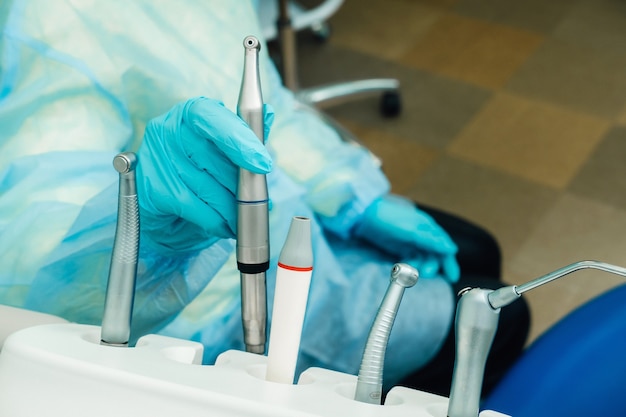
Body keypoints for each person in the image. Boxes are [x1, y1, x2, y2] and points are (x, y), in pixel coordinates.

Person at [0, 0, 528, 397]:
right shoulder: (53, 21)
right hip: (205, 306)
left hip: (281, 216)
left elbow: (266, 102)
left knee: (474, 248)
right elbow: (39, 282)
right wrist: (150, 234)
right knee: (505, 315)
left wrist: (351, 195)